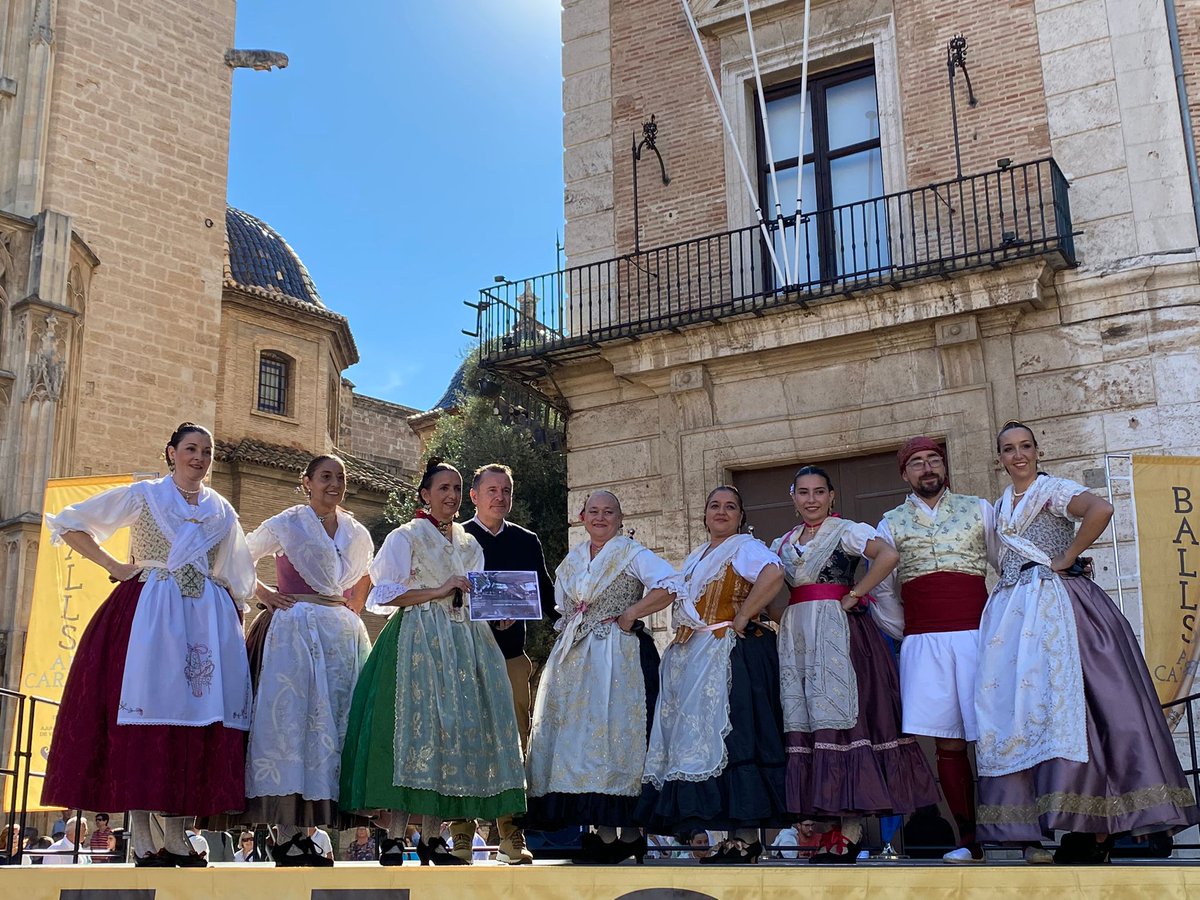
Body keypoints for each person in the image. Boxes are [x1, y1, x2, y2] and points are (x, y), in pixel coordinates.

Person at [975, 422, 1199, 863]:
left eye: (1025, 447)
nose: (1018, 455)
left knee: (1086, 707)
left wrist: (1070, 555)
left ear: (1038, 451)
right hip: (1016, 618)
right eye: (1008, 449)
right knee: (1029, 715)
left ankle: (1098, 826)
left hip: (1062, 607)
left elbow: (1100, 509)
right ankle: (1067, 822)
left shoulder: (1053, 489)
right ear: (998, 458)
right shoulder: (1000, 505)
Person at [41, 423, 256, 868]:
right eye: (191, 449)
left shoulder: (222, 511)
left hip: (205, 621)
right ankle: (142, 839)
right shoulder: (144, 496)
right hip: (149, 615)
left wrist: (234, 620)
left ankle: (177, 840)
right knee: (144, 724)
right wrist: (116, 566)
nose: (199, 458)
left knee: (193, 729)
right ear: (171, 453)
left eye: (207, 451)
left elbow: (238, 575)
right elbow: (71, 523)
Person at [340, 458, 525, 866]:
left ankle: (433, 837)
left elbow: (476, 595)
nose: (452, 496)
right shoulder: (405, 536)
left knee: (450, 735)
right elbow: (383, 595)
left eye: (457, 488)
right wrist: (439, 589)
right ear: (425, 494)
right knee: (410, 735)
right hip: (417, 641)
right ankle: (392, 837)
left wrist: (499, 613)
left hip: (464, 644)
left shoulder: (468, 543)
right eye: (443, 488)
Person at [771, 465, 938, 864]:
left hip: (839, 635)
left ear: (831, 497)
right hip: (799, 637)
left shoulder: (847, 531)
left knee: (846, 722)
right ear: (793, 498)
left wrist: (856, 592)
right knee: (809, 721)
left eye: (819, 492)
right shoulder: (783, 543)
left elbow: (888, 555)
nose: (811, 499)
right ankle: (828, 827)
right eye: (803, 492)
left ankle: (850, 830)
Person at [525, 489, 676, 864]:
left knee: (616, 735)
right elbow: (563, 606)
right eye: (594, 511)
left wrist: (631, 614)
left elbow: (669, 585)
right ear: (582, 516)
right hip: (576, 660)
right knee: (581, 742)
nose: (600, 517)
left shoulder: (632, 553)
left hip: (619, 654)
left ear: (619, 518)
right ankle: (604, 834)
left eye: (608, 512)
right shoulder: (572, 561)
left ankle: (629, 833)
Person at [639, 485, 788, 864]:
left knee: (737, 740)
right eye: (715, 506)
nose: (722, 512)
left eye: (731, 507)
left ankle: (745, 838)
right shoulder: (695, 556)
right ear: (704, 515)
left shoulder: (744, 548)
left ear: (741, 515)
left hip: (728, 654)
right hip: (694, 656)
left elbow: (774, 572)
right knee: (705, 745)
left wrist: (743, 614)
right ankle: (724, 837)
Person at [872, 438, 1000, 863]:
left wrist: (999, 622)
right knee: (949, 743)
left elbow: (1005, 565)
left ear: (944, 467)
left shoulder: (979, 508)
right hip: (925, 641)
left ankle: (1022, 833)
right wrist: (908, 631)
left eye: (933, 461)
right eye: (917, 464)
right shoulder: (889, 522)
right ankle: (968, 840)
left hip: (978, 636)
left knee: (999, 735)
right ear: (905, 474)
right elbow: (885, 591)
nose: (927, 469)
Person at [241, 455, 374, 862]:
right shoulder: (288, 523)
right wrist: (262, 593)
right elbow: (238, 554)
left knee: (333, 730)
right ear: (307, 482)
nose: (333, 485)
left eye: (340, 478)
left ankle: (310, 832)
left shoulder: (355, 531)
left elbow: (368, 574)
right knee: (293, 726)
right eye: (325, 477)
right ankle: (286, 833)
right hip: (294, 633)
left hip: (340, 636)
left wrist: (355, 604)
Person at [462, 463, 556, 865]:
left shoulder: (527, 540)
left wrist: (523, 610)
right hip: (464, 658)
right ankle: (461, 837)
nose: (500, 497)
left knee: (515, 745)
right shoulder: (457, 537)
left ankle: (511, 837)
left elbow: (548, 597)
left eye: (506, 490)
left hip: (512, 659)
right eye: (492, 490)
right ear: (475, 496)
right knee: (464, 742)